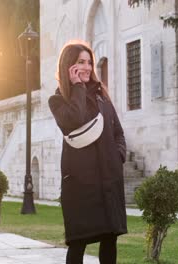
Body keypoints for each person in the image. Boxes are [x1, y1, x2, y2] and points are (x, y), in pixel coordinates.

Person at [48, 40, 127, 264]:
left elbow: (118, 132)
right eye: (80, 62)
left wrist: (118, 156)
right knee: (78, 242)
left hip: (108, 179)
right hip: (80, 185)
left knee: (110, 239)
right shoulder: (57, 100)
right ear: (68, 66)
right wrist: (77, 87)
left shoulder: (102, 95)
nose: (86, 67)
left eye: (89, 62)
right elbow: (73, 120)